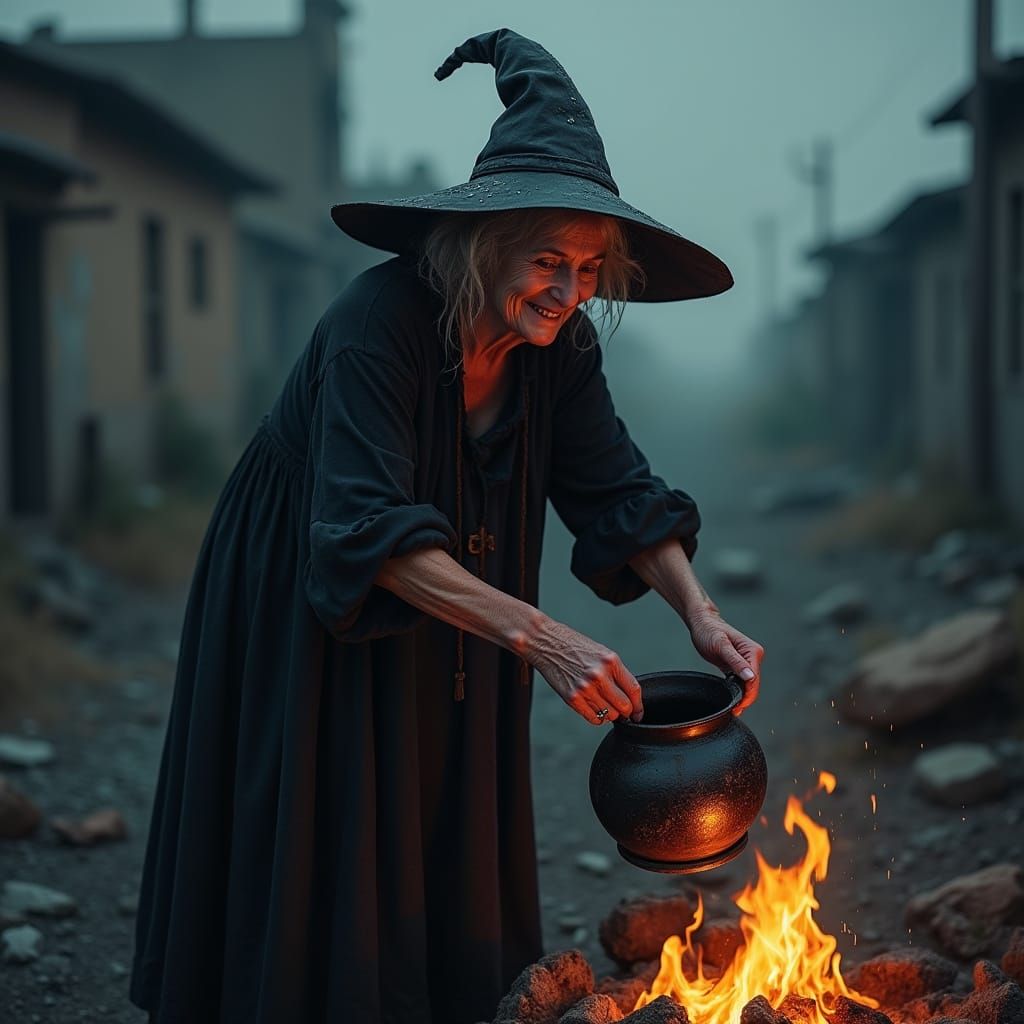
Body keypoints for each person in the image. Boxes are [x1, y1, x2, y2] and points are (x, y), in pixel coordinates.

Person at [130, 28, 764, 1024]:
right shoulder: (375, 326)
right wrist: (545, 635)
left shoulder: (559, 349)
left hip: (461, 598)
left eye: (591, 268)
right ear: (479, 245)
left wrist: (700, 611)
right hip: (314, 584)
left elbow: (617, 490)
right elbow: (364, 531)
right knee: (332, 799)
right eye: (547, 260)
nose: (568, 291)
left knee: (443, 792)